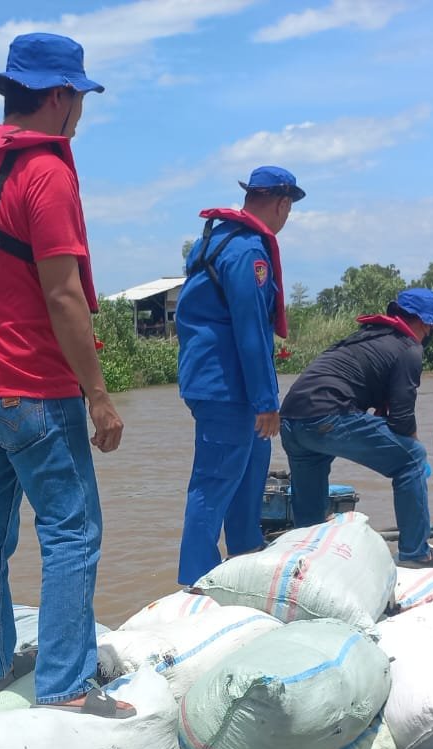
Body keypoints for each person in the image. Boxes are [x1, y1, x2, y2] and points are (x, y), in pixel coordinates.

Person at [0, 32, 132, 718]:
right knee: (73, 530)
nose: (80, 112)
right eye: (78, 98)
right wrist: (101, 397)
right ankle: (66, 687)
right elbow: (61, 295)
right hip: (33, 388)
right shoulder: (46, 173)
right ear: (58, 97)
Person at [173, 166, 303, 586]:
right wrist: (268, 402)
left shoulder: (216, 239)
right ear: (282, 204)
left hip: (224, 384)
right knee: (213, 486)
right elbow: (250, 330)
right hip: (228, 388)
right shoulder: (248, 251)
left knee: (249, 480)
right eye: (288, 210)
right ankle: (196, 584)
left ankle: (245, 562)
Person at [278, 288, 433, 567]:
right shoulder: (409, 349)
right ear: (426, 322)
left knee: (309, 505)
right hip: (328, 417)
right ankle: (416, 553)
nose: (431, 332)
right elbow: (402, 418)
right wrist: (413, 449)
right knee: (413, 460)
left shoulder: (367, 335)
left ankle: (306, 560)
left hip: (291, 420)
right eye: (431, 326)